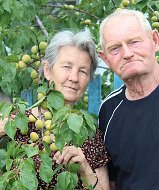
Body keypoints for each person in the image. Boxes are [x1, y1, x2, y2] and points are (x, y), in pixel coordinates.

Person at [0, 29, 110, 189]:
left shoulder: (90, 134)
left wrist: (85, 168)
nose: (73, 77)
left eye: (82, 71)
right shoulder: (17, 124)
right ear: (47, 70)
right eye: (67, 66)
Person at [98, 9, 159, 190]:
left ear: (155, 40)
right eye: (115, 48)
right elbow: (113, 181)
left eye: (134, 42)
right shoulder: (108, 111)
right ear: (106, 59)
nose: (127, 53)